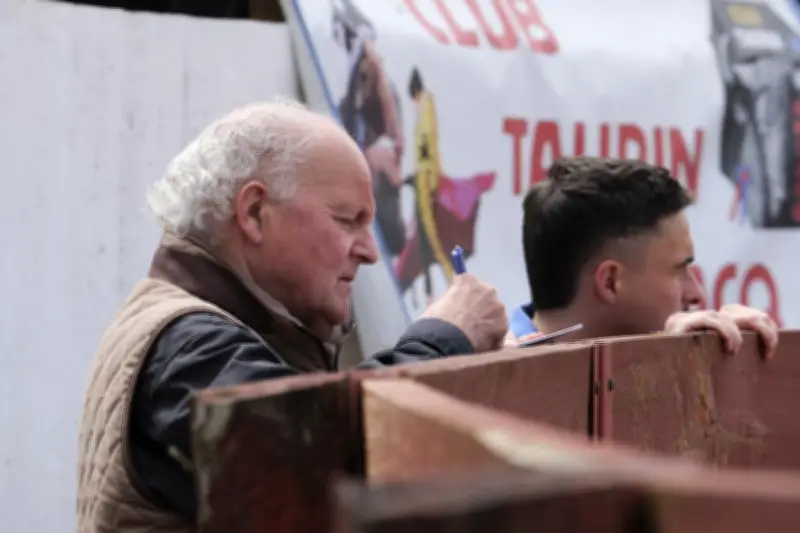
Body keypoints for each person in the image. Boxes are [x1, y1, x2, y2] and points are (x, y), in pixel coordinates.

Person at [76, 99, 509, 532]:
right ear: (254, 213)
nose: (370, 252)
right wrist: (444, 339)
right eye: (347, 219)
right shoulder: (192, 345)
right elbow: (329, 465)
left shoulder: (197, 328)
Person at [509, 156, 778, 357]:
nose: (697, 294)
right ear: (611, 282)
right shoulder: (493, 393)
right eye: (679, 270)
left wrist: (726, 364)